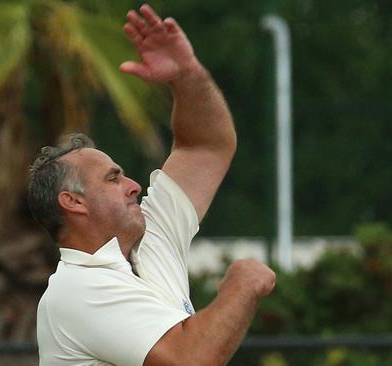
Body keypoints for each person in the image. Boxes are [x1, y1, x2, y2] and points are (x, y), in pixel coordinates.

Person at [28, 4, 276, 366]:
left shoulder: (150, 239)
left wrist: (187, 75)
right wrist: (242, 284)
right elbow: (190, 360)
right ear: (73, 202)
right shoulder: (78, 289)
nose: (133, 185)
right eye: (113, 178)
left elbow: (205, 146)